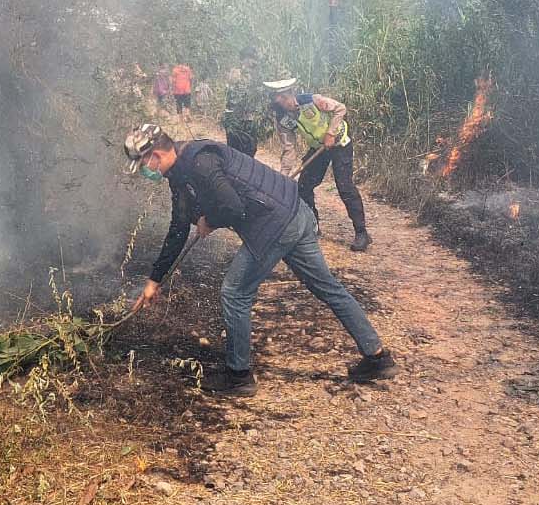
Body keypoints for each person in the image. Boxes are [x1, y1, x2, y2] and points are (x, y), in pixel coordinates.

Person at [123, 122, 398, 396]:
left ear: (155, 156)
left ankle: (238, 376)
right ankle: (378, 358)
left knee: (234, 292)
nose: (147, 172)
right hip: (295, 212)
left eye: (145, 164)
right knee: (327, 286)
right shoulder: (183, 168)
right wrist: (154, 280)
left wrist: (211, 220)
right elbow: (179, 225)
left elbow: (232, 207)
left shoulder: (200, 164)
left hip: (275, 225)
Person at [264, 78, 371, 252]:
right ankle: (313, 226)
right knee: (304, 186)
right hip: (318, 149)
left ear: (290, 93)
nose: (282, 103)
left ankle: (362, 233)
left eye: (283, 98)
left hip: (339, 143)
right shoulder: (282, 119)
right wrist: (283, 176)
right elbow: (288, 149)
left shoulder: (312, 100)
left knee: (345, 186)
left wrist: (330, 133)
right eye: (277, 100)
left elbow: (340, 108)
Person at [221, 47, 270, 158]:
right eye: (252, 59)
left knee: (250, 149)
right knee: (235, 151)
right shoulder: (236, 73)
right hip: (235, 119)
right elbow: (235, 91)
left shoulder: (257, 75)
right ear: (245, 59)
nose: (254, 62)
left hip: (249, 119)